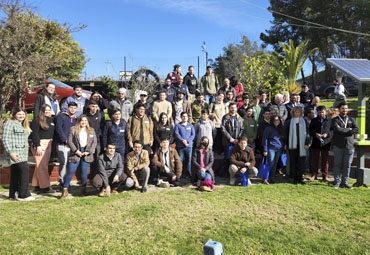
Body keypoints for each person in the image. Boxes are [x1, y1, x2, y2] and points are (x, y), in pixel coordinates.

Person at [61, 115, 97, 199]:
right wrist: (76, 151)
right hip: (76, 152)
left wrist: (88, 152)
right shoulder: (73, 129)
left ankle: (83, 190)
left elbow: (94, 142)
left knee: (84, 173)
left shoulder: (91, 130)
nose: (83, 122)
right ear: (79, 121)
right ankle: (65, 189)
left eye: (85, 120)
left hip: (86, 152)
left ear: (87, 121)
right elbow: (69, 141)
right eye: (82, 120)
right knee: (70, 171)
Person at [2, 106, 34, 201]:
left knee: (16, 173)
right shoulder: (9, 124)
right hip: (15, 153)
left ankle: (12, 194)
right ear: (14, 114)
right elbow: (5, 139)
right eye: (19, 114)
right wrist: (10, 152)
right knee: (24, 170)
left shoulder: (22, 124)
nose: (22, 116)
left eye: (23, 114)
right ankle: (23, 195)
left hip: (23, 153)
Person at [331, 102, 358, 189]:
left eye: (346, 108)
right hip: (338, 146)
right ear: (339, 110)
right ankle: (337, 182)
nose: (345, 110)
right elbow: (337, 130)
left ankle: (345, 182)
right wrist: (349, 130)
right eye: (343, 108)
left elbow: (356, 129)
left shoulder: (352, 119)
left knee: (347, 165)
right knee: (337, 165)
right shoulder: (335, 120)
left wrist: (343, 129)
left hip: (350, 146)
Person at [30, 104, 56, 193]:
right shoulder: (37, 120)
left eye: (49, 110)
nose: (47, 111)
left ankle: (36, 185)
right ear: (42, 110)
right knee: (42, 166)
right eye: (46, 110)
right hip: (40, 144)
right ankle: (45, 187)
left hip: (49, 144)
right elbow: (34, 134)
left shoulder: (51, 119)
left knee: (40, 166)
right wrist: (38, 145)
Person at [284, 107, 311, 184]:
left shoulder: (304, 121)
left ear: (301, 113)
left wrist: (307, 143)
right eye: (296, 112)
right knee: (293, 161)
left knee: (301, 162)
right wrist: (286, 143)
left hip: (302, 145)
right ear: (293, 113)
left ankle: (300, 177)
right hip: (292, 145)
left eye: (298, 112)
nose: (297, 113)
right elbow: (286, 134)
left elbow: (308, 133)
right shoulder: (289, 122)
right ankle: (294, 178)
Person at [55, 102, 78, 187]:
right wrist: (65, 140)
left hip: (72, 145)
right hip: (62, 143)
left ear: (77, 109)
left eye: (74, 108)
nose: (73, 109)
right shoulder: (61, 116)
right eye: (71, 107)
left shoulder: (76, 119)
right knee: (63, 162)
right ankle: (62, 181)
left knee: (70, 163)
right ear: (68, 108)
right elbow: (58, 128)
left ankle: (67, 181)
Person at [220, 103, 244, 176]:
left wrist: (237, 139)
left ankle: (235, 173)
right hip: (227, 142)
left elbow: (242, 129)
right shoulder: (225, 117)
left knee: (236, 158)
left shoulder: (240, 118)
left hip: (237, 142)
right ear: (229, 108)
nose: (233, 109)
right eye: (231, 108)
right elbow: (223, 129)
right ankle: (226, 173)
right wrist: (230, 138)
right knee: (227, 157)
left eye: (234, 108)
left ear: (236, 108)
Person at [309, 106, 331, 182]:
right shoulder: (314, 120)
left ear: (325, 112)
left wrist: (327, 134)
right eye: (319, 112)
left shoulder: (329, 120)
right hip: (316, 142)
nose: (321, 113)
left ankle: (325, 175)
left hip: (326, 143)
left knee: (325, 160)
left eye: (322, 112)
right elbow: (310, 130)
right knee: (315, 159)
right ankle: (314, 174)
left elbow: (332, 131)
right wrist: (315, 134)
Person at [262, 115, 284, 184]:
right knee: (270, 163)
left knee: (275, 164)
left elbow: (283, 138)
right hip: (271, 148)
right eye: (275, 120)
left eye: (278, 120)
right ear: (272, 121)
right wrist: (265, 150)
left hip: (279, 148)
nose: (277, 122)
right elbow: (264, 139)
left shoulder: (281, 128)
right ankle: (265, 178)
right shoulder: (268, 128)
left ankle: (272, 177)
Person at [174, 112, 195, 176]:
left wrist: (187, 141)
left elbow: (193, 134)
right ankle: (180, 173)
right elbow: (177, 134)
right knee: (180, 160)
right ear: (181, 117)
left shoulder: (191, 125)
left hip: (189, 146)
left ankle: (188, 173)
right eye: (183, 116)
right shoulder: (178, 125)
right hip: (180, 146)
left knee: (189, 160)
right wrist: (182, 140)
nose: (185, 117)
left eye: (186, 116)